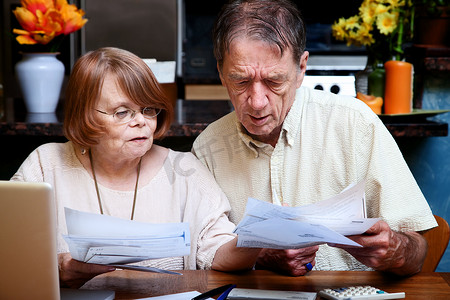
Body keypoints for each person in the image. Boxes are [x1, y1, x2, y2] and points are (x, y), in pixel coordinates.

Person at [192, 0, 437, 277]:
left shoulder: (354, 123)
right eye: (240, 81)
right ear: (221, 74)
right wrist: (260, 257)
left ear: (301, 68)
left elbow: (419, 252)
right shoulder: (206, 148)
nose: (257, 102)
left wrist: (395, 249)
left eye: (274, 81)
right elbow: (205, 258)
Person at [11, 47, 260, 288]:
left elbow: (219, 253)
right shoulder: (45, 166)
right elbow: (10, 256)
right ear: (84, 115)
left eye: (147, 109)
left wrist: (258, 238)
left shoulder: (185, 171)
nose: (141, 121)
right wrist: (55, 269)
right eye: (122, 112)